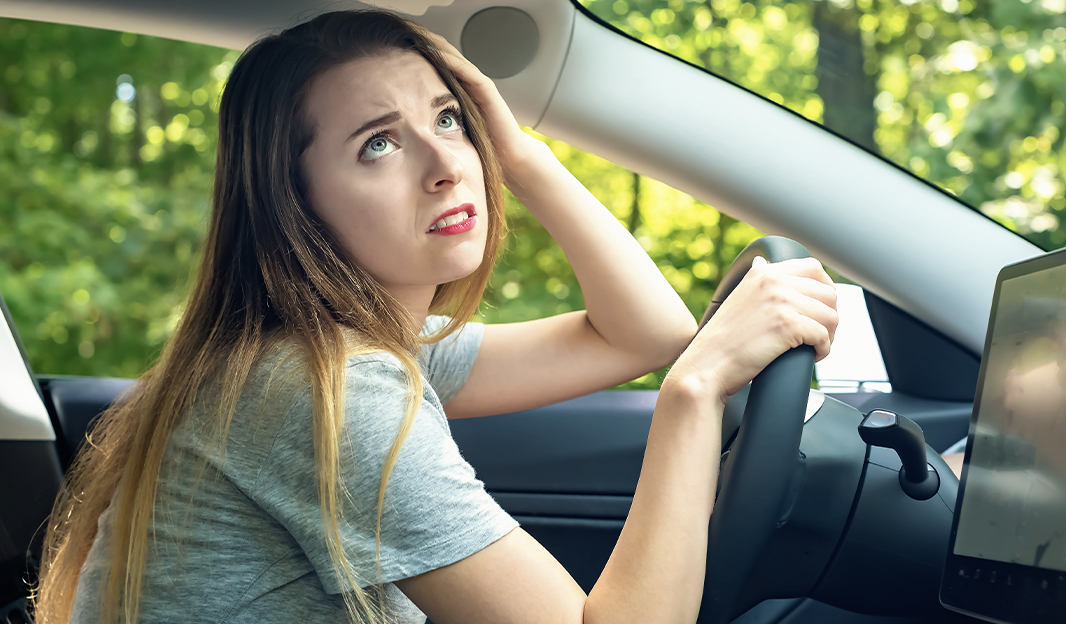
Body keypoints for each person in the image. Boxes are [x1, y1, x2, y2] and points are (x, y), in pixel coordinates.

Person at [32, 10, 839, 624]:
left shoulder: (326, 350)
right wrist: (693, 393)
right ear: (294, 202)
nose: (447, 165)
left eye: (450, 120)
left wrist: (521, 154)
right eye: (379, 144)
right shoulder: (324, 391)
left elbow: (643, 335)